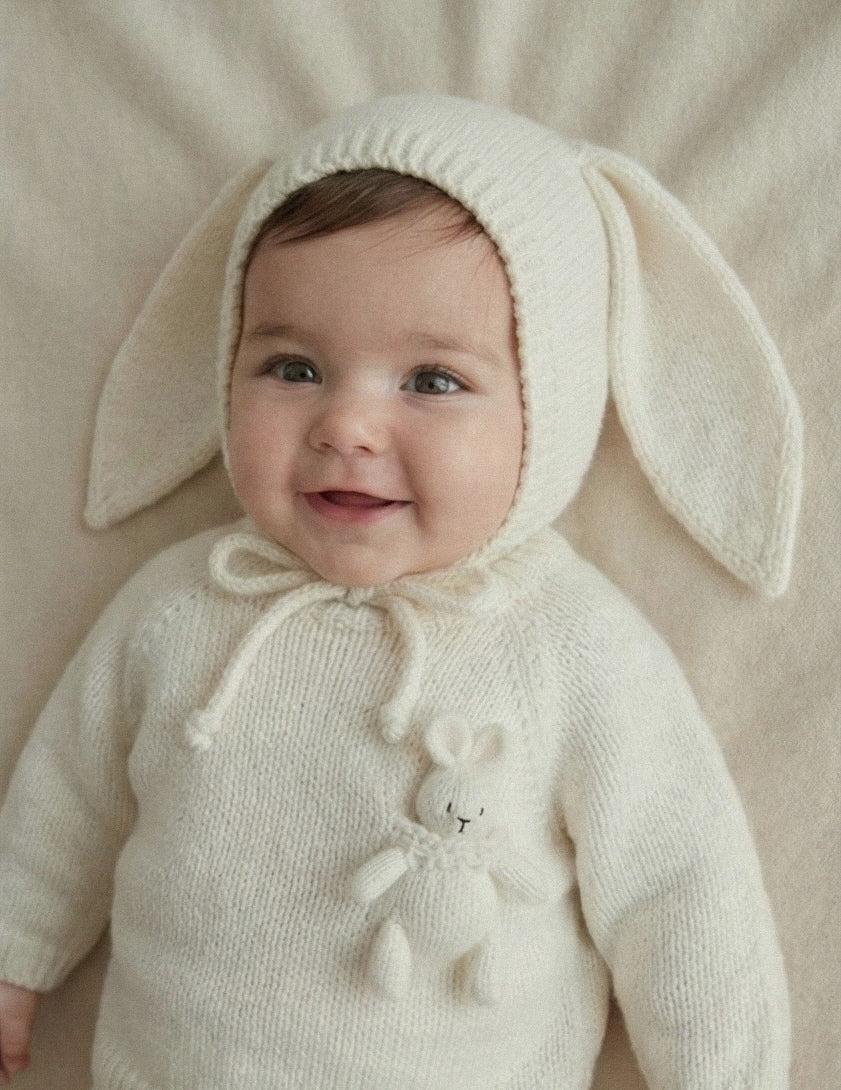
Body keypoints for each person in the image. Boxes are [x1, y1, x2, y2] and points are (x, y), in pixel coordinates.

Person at [0, 94, 800, 1089]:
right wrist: (15, 954)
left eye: (432, 381)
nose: (346, 426)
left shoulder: (569, 645)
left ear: (550, 406)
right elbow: (66, 800)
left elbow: (679, 889)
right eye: (293, 367)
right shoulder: (181, 605)